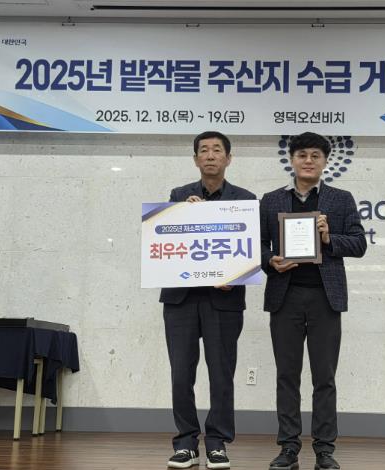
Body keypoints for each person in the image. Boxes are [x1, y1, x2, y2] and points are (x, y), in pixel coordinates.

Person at [259, 132, 367, 470]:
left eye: (315, 156)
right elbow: (257, 245)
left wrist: (329, 237)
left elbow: (359, 244)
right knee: (287, 376)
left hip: (325, 298)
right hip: (285, 297)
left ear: (325, 161)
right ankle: (288, 447)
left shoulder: (341, 199)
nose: (308, 161)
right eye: (302, 154)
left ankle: (324, 450)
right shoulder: (271, 200)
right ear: (291, 160)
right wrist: (270, 260)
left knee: (325, 377)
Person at [160, 131, 256, 469]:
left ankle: (217, 442)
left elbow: (250, 249)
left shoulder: (244, 200)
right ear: (195, 159)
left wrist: (235, 277)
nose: (211, 155)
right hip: (181, 299)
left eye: (217, 150)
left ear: (229, 158)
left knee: (221, 374)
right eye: (204, 150)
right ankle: (186, 442)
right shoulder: (179, 196)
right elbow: (165, 243)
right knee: (180, 374)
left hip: (224, 300)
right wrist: (182, 215)